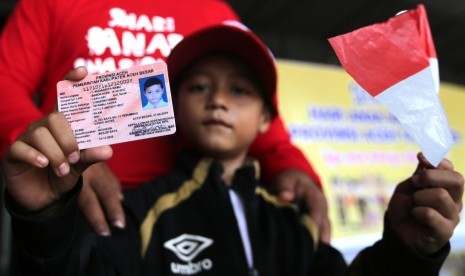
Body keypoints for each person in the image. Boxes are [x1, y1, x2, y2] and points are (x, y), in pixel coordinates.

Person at [3, 22, 463, 276]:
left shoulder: (293, 224)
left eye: (240, 90)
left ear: (266, 119)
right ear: (171, 106)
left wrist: (406, 253)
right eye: (199, 86)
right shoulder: (137, 213)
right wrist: (45, 221)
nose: (218, 99)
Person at [0, 0, 329, 240]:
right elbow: (5, 83)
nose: (214, 98)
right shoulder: (49, 3)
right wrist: (60, 160)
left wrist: (293, 167)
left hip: (191, 212)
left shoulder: (214, 11)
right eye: (200, 86)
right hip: (72, 209)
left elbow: (255, 112)